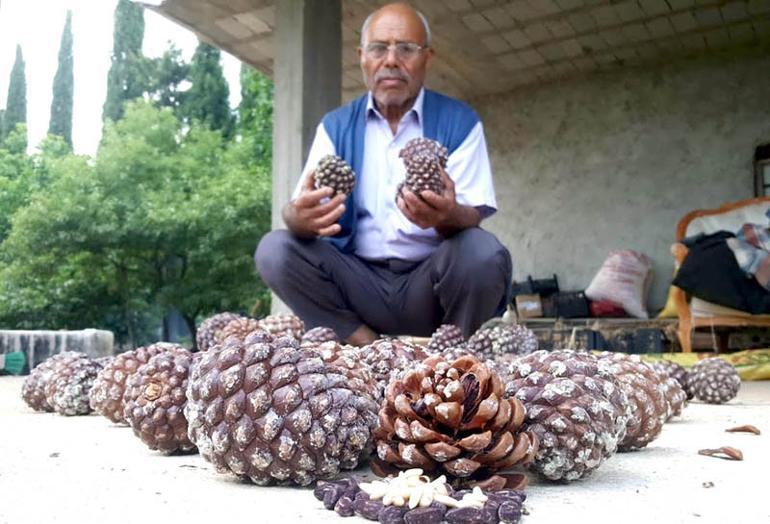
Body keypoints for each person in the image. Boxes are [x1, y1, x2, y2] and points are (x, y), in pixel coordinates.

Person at [256, 2, 511, 346]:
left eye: (406, 48)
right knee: (276, 249)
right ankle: (369, 347)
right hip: (358, 282)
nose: (391, 60)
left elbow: (473, 214)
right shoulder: (336, 126)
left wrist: (447, 215)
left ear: (427, 58)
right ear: (363, 57)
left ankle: (451, 355)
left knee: (482, 254)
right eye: (379, 48)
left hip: (430, 283)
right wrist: (298, 217)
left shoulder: (459, 121)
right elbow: (297, 210)